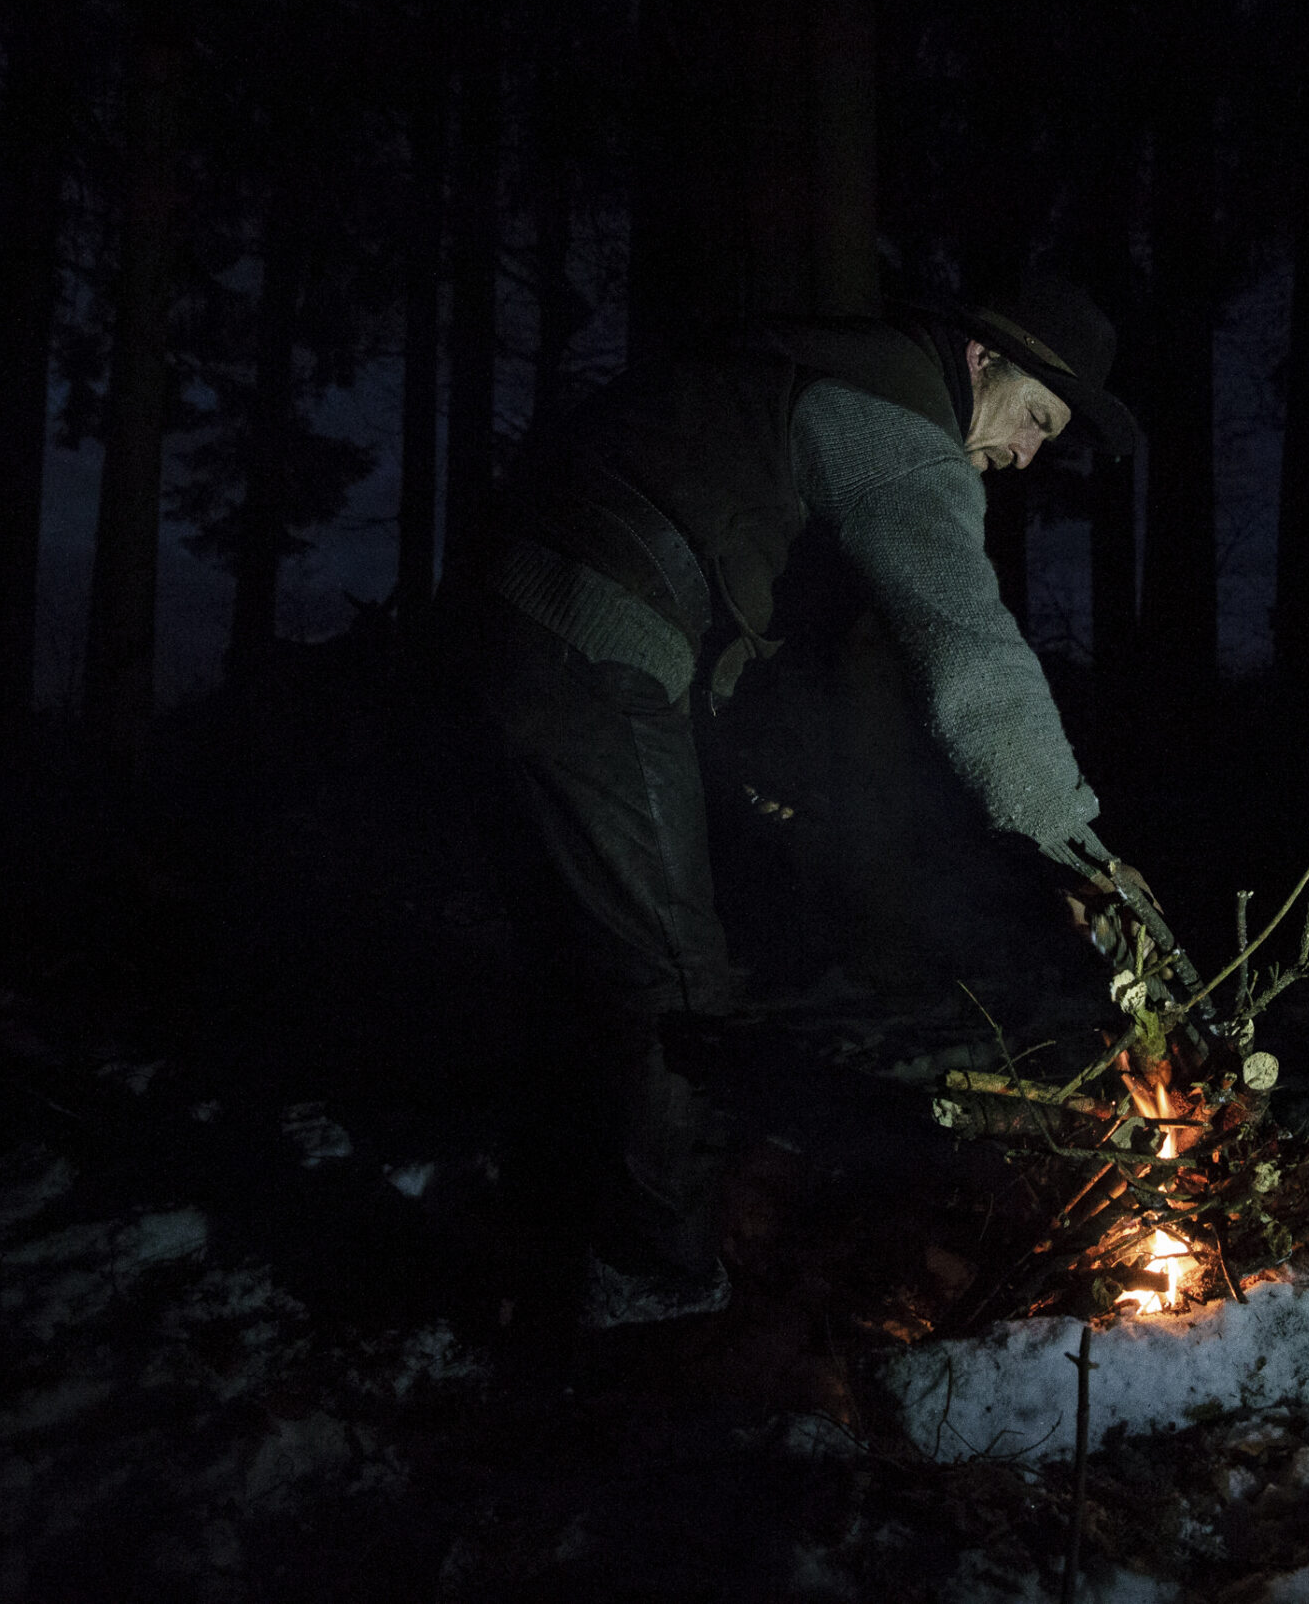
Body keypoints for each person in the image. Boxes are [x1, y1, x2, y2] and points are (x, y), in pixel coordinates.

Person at [440, 270, 1155, 1325]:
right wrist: (1072, 848)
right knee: (671, 977)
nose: (1027, 456)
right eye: (1036, 419)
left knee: (590, 955)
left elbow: (709, 558)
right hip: (585, 636)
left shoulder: (812, 378)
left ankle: (563, 1214)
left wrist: (750, 774)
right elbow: (970, 649)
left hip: (535, 622)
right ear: (978, 361)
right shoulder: (895, 418)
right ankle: (654, 1290)